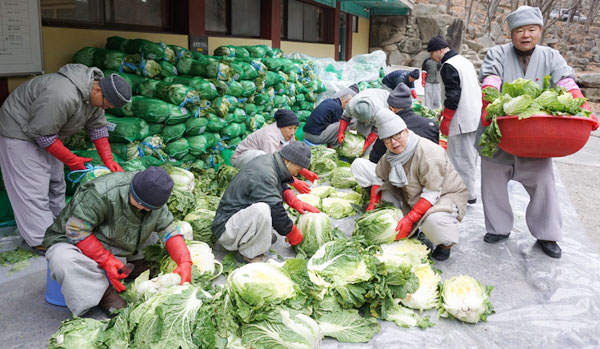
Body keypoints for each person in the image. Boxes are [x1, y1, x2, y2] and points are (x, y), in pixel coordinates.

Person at [476, 6, 599, 258]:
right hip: (499, 132)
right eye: (519, 30)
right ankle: (498, 228)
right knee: (493, 183)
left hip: (537, 135)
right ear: (511, 34)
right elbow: (490, 79)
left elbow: (566, 82)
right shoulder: (497, 53)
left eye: (531, 29)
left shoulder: (551, 56)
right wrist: (490, 104)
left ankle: (547, 234)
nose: (525, 35)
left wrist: (582, 106)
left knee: (543, 183)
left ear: (540, 32)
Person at [0, 64, 131, 250]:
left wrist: (109, 160)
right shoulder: (62, 94)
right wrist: (71, 160)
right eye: (105, 104)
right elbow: (43, 134)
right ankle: (42, 242)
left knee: (56, 183)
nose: (104, 108)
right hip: (19, 133)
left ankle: (58, 228)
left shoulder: (94, 97)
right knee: (32, 190)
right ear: (97, 89)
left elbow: (98, 128)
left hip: (48, 134)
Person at [42, 166, 192, 316]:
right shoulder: (100, 193)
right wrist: (106, 260)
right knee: (63, 259)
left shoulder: (153, 196)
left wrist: (184, 261)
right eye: (143, 205)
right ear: (132, 191)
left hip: (113, 236)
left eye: (150, 208)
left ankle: (135, 265)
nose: (146, 209)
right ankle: (104, 294)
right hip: (73, 238)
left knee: (155, 232)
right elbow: (76, 231)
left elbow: (168, 229)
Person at [358, 109, 468, 261]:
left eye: (397, 135)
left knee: (435, 222)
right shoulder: (390, 156)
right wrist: (372, 203)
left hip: (444, 195)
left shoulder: (428, 152)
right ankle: (411, 227)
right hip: (413, 194)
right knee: (385, 197)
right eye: (387, 139)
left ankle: (445, 244)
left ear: (406, 131)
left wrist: (410, 219)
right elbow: (378, 178)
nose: (393, 142)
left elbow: (432, 192)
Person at [212, 141, 320, 263]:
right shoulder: (265, 174)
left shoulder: (270, 161)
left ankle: (254, 237)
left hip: (238, 219)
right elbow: (276, 212)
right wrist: (293, 233)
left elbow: (279, 183)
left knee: (268, 205)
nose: (297, 173)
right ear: (287, 161)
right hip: (226, 228)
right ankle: (247, 254)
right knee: (263, 209)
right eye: (298, 168)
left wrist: (293, 199)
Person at [428, 35, 481, 205]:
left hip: (461, 118)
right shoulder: (464, 61)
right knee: (470, 156)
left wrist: (447, 118)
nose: (432, 58)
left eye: (432, 54)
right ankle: (468, 191)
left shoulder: (448, 66)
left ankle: (465, 195)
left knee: (460, 158)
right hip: (474, 114)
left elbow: (453, 94)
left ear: (439, 51)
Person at [230, 109, 318, 193]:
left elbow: (293, 155)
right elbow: (274, 164)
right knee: (261, 156)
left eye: (295, 128)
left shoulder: (289, 136)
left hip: (261, 162)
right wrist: (294, 182)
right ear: (281, 126)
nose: (292, 132)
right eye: (290, 128)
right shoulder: (269, 136)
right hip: (242, 159)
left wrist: (302, 170)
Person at [337, 88, 390, 156]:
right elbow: (345, 117)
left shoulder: (380, 112)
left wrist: (366, 144)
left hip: (383, 99)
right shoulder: (352, 105)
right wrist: (341, 132)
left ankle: (368, 155)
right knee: (361, 133)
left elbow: (376, 131)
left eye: (366, 121)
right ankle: (360, 154)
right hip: (367, 99)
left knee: (372, 145)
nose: (365, 122)